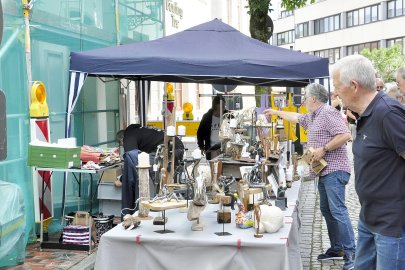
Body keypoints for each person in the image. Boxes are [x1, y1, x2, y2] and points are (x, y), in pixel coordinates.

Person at [264, 83, 355, 270]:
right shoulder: (314, 116)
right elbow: (296, 117)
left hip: (335, 170)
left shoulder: (328, 112)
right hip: (324, 172)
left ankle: (351, 256)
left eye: (305, 97)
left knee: (337, 211)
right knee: (327, 210)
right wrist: (276, 112)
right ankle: (337, 249)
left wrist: (324, 149)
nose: (303, 100)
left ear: (313, 98)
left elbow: (345, 135)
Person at [331, 55, 405, 270]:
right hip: (368, 218)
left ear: (354, 86)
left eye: (337, 86)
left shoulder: (388, 113)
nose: (335, 92)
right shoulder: (366, 113)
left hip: (391, 225)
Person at [117, 124, 185, 215]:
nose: (123, 145)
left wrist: (121, 179)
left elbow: (131, 160)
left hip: (169, 149)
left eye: (122, 144)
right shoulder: (139, 130)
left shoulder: (128, 137)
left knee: (149, 175)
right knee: (161, 176)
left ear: (122, 140)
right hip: (176, 146)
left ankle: (151, 209)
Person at [197, 95, 227, 160]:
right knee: (214, 168)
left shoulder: (228, 116)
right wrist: (201, 147)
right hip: (211, 147)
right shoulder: (207, 117)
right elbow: (200, 133)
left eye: (222, 109)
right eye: (218, 110)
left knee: (224, 167)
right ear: (214, 107)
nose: (220, 112)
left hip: (225, 148)